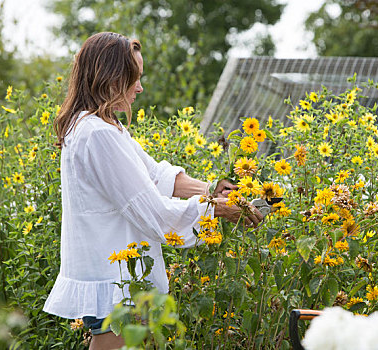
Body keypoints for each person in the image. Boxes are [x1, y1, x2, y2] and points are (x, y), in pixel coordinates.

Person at [43, 32, 263, 350]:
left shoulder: (100, 127)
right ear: (111, 78)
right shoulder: (97, 135)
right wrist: (219, 209)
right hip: (116, 281)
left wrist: (214, 189)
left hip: (116, 278)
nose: (140, 88)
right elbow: (152, 211)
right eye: (134, 78)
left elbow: (155, 175)